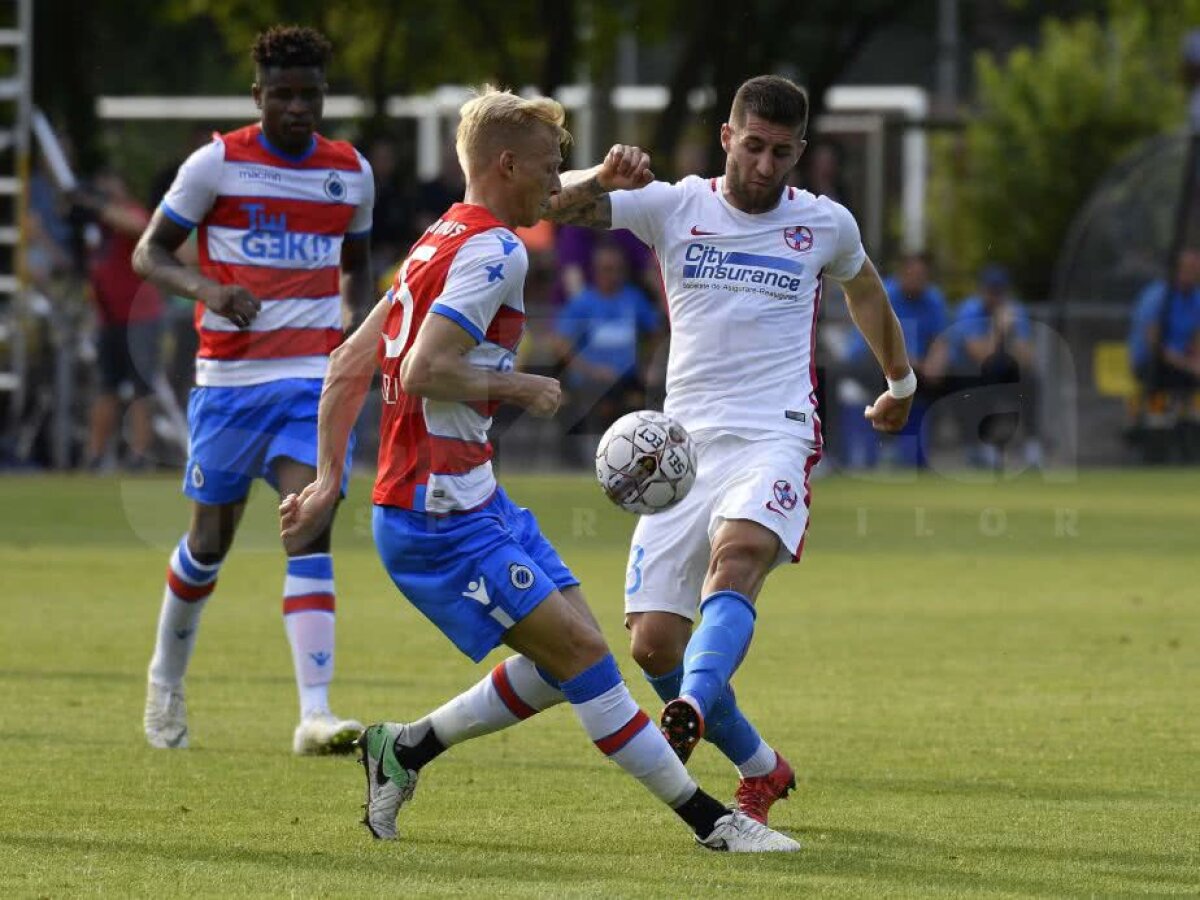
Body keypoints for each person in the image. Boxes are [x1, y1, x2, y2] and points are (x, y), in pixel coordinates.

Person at [278, 86, 797, 853]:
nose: (558, 186)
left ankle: (406, 748)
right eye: (550, 168)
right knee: (585, 658)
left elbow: (351, 360)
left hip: (476, 500)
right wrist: (523, 385)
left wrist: (328, 479)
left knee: (570, 653)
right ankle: (711, 823)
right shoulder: (495, 250)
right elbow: (423, 371)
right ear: (507, 165)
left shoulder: (437, 239)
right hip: (435, 518)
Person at [545, 75, 914, 824]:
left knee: (739, 557)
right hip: (683, 446)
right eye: (753, 146)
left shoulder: (825, 225)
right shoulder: (675, 204)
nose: (766, 165)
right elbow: (542, 205)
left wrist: (900, 382)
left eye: (782, 152)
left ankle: (691, 704)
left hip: (776, 432)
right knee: (651, 644)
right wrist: (600, 178)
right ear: (727, 138)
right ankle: (760, 767)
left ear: (800, 152)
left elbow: (865, 289)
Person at [132, 25, 374, 754]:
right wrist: (208, 288)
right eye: (283, 96)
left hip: (309, 381)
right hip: (230, 384)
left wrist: (353, 326)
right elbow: (150, 253)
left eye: (310, 95)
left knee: (311, 524)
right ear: (257, 96)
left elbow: (357, 265)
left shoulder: (350, 172)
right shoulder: (216, 164)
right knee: (208, 544)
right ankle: (166, 681)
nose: (298, 109)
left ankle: (314, 713)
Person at [73, 170, 164, 471]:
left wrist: (100, 207)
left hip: (140, 316)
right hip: (109, 318)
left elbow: (138, 227)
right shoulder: (95, 229)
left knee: (140, 388)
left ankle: (140, 455)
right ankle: (95, 455)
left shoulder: (130, 214)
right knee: (106, 387)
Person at [554, 242, 663, 462]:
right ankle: (582, 462)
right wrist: (592, 370)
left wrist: (649, 364)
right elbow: (561, 344)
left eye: (617, 269)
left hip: (628, 378)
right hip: (589, 380)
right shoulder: (583, 302)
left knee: (645, 398)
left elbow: (656, 332)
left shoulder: (633, 299)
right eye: (606, 269)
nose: (612, 275)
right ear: (596, 270)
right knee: (596, 404)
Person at [838, 252, 948, 468]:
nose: (918, 279)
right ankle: (874, 450)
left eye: (922, 275)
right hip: (869, 364)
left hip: (912, 370)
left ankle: (915, 454)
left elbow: (940, 340)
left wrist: (936, 364)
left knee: (947, 380)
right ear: (902, 273)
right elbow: (872, 342)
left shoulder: (932, 299)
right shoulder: (884, 292)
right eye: (913, 274)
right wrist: (908, 364)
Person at [950, 264, 1042, 467]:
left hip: (1001, 375)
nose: (996, 297)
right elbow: (981, 356)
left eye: (1000, 292)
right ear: (982, 291)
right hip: (969, 377)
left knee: (1031, 381)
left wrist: (1012, 333)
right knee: (976, 381)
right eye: (991, 291)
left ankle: (1032, 446)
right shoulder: (970, 310)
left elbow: (1027, 359)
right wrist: (998, 330)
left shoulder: (1015, 312)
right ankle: (979, 446)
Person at [1129, 248, 1200, 392]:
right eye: (1189, 267)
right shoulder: (1157, 297)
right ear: (1176, 269)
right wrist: (1189, 365)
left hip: (1182, 364)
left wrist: (1195, 359)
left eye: (1196, 268)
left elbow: (1196, 339)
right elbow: (1154, 346)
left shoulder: (1196, 298)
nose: (1194, 272)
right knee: (1183, 378)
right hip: (1151, 363)